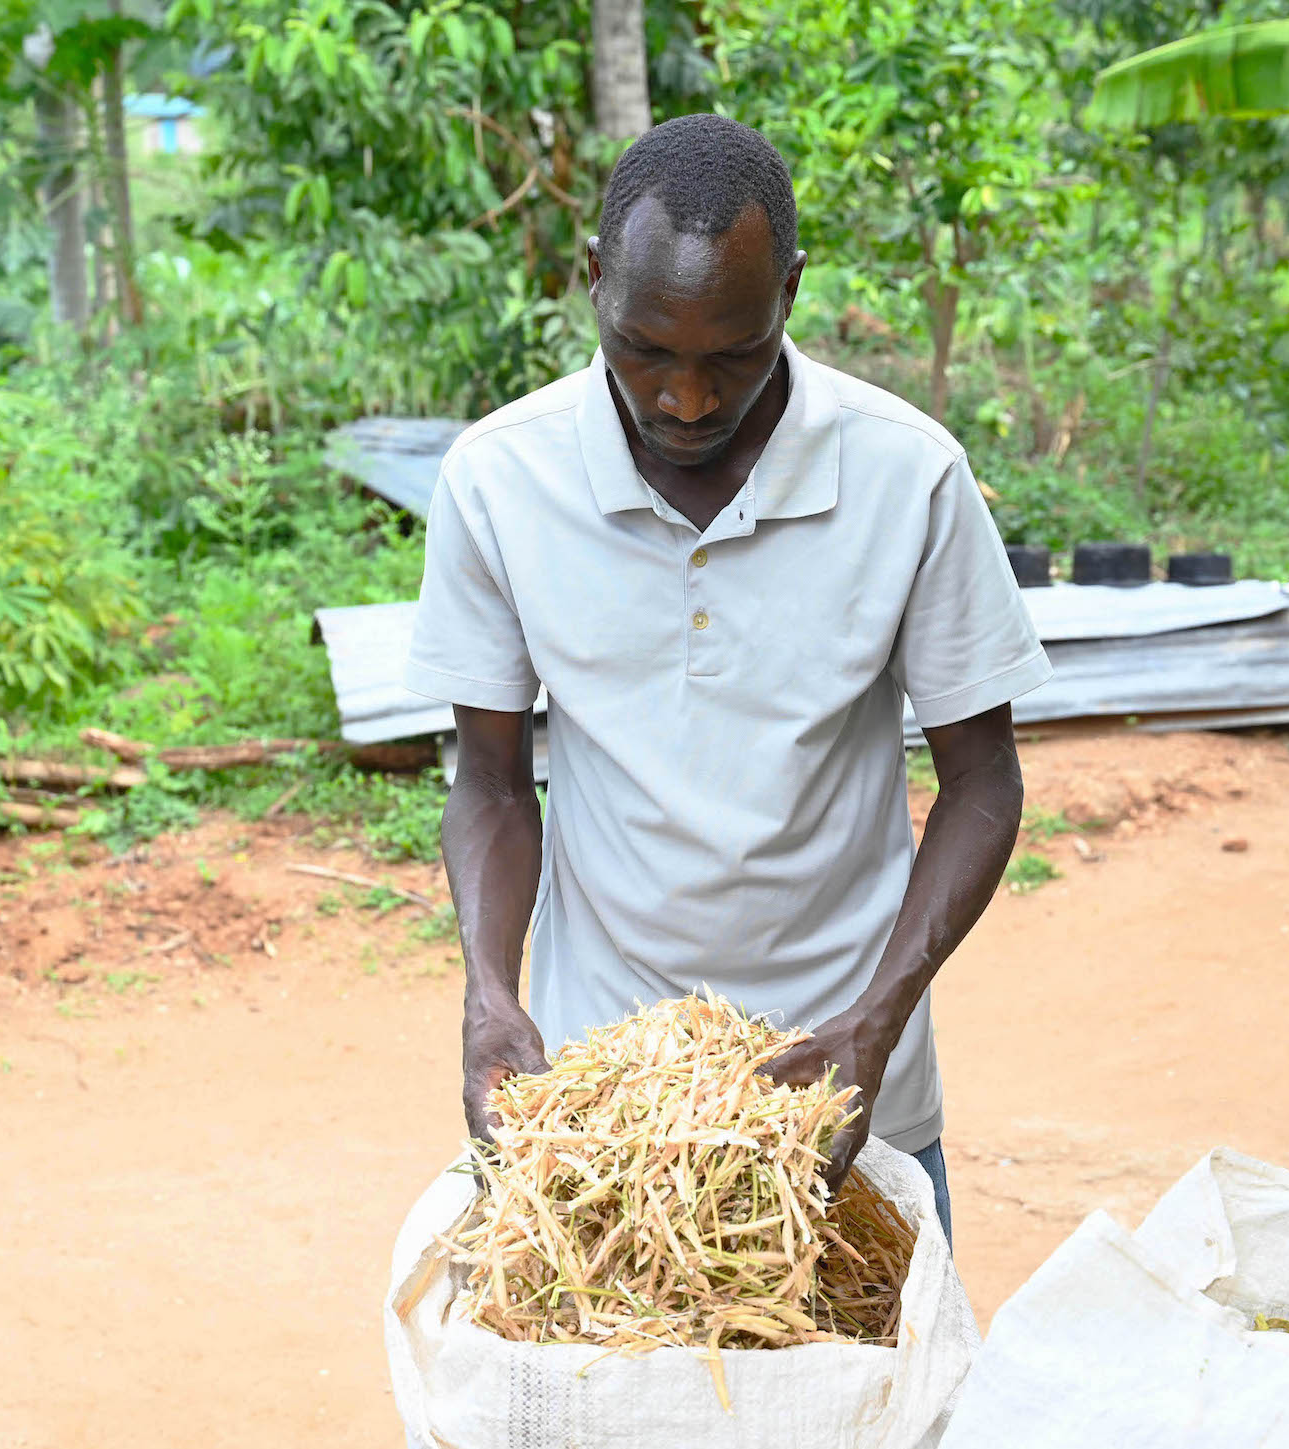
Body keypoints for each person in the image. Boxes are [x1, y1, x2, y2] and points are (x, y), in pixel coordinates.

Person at [404, 113, 1049, 1248]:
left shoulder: (906, 477)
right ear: (593, 282)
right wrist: (492, 995)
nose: (686, 401)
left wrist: (874, 1023)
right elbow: (495, 788)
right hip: (597, 1100)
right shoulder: (500, 480)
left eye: (732, 356)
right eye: (645, 349)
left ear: (791, 294)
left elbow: (983, 784)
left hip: (847, 1096)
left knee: (876, 1416)